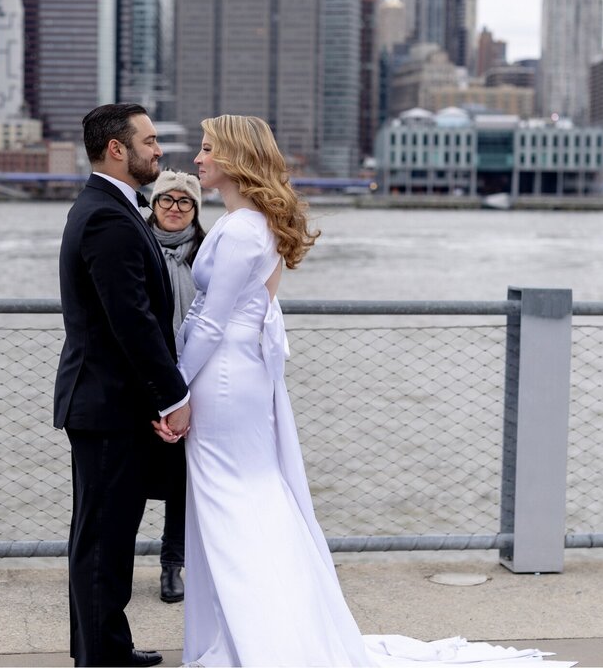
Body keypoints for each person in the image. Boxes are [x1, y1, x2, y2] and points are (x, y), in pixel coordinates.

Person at [154, 115, 561, 667]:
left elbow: (209, 323)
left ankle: (260, 642)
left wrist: (173, 391)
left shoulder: (239, 230)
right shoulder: (254, 226)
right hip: (241, 377)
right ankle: (253, 633)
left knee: (232, 508)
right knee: (249, 499)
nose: (197, 160)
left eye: (206, 150)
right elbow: (249, 313)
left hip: (223, 379)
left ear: (234, 159)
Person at [54, 103, 189, 668]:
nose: (159, 150)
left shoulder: (108, 208)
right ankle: (101, 659)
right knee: (102, 542)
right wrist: (175, 397)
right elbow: (129, 318)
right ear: (118, 148)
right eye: (151, 140)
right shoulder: (109, 217)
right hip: (108, 406)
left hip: (109, 403)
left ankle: (106, 648)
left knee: (106, 539)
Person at [145, 170, 206, 604]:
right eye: (167, 199)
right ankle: (113, 567)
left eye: (185, 202)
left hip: (193, 377)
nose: (174, 209)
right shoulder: (137, 244)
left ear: (196, 211)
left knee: (183, 480)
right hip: (147, 375)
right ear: (153, 203)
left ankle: (172, 565)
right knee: (131, 476)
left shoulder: (206, 254)